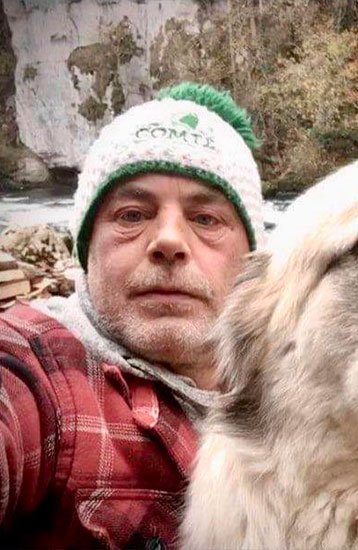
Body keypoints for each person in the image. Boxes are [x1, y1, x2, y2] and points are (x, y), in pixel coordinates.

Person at [0, 83, 265, 548]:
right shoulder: (44, 368)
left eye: (205, 218)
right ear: (86, 252)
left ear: (252, 260)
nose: (168, 240)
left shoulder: (305, 389)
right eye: (131, 214)